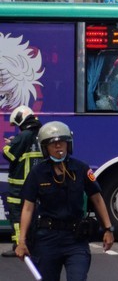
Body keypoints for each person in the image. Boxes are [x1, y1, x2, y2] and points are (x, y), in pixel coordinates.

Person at [14, 121, 114, 281]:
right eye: (53, 144)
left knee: (78, 278)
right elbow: (28, 208)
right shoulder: (37, 173)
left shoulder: (81, 169)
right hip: (47, 239)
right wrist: (21, 241)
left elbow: (97, 198)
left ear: (69, 144)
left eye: (62, 143)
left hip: (76, 239)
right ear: (45, 148)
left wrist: (109, 229)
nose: (59, 147)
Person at [1, 106, 43, 258]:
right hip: (35, 184)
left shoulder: (24, 135)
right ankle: (31, 244)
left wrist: (7, 146)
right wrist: (15, 142)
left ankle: (19, 245)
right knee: (32, 215)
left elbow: (10, 155)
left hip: (19, 185)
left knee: (17, 216)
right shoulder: (41, 133)